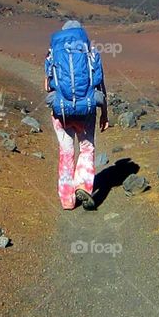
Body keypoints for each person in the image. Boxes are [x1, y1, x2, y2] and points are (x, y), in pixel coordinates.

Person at [44, 19, 109, 210]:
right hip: (86, 110)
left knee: (66, 152)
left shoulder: (53, 54)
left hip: (61, 111)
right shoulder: (91, 53)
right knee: (87, 148)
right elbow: (100, 85)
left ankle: (67, 199)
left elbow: (48, 86)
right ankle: (83, 184)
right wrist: (104, 113)